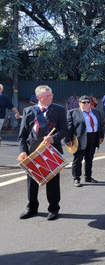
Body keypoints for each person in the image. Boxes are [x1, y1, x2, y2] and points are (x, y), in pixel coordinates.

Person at [18, 85, 68, 221]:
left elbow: (64, 130)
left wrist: (54, 138)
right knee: (31, 182)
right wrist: (23, 151)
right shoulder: (29, 111)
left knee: (53, 182)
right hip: (33, 151)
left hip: (51, 150)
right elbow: (22, 135)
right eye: (47, 96)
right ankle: (32, 208)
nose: (51, 97)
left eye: (51, 94)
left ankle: (53, 209)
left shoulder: (59, 110)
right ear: (39, 97)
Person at [66, 95, 105, 187]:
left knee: (89, 159)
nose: (87, 104)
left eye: (88, 102)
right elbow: (69, 128)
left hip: (93, 137)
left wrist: (101, 136)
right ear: (79, 103)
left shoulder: (96, 112)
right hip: (80, 139)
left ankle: (88, 176)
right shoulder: (73, 112)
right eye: (84, 102)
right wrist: (67, 140)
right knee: (78, 159)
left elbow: (100, 125)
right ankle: (76, 178)